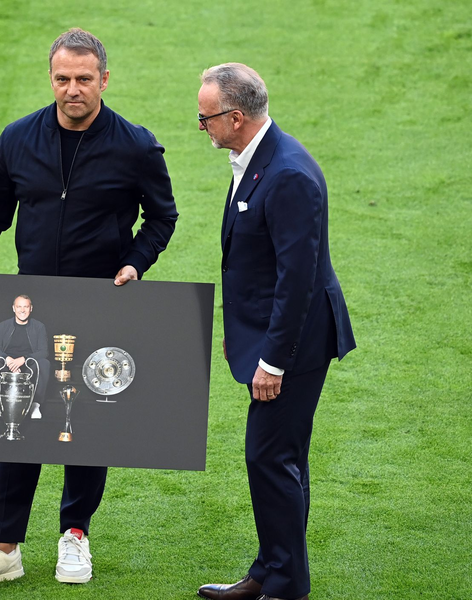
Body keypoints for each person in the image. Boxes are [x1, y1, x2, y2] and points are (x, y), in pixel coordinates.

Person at [0, 28, 177, 592]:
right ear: (52, 78)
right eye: (63, 78)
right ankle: (4, 546)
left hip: (100, 305)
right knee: (16, 421)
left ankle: (76, 534)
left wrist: (135, 263)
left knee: (85, 424)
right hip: (30, 308)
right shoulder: (18, 138)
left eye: (84, 79)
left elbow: (162, 218)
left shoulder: (137, 147)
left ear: (104, 80)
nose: (73, 89)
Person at [194, 63, 355, 600]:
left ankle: (284, 585)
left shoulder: (286, 174)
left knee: (270, 455)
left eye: (206, 118)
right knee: (281, 455)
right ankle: (270, 570)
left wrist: (273, 361)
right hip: (274, 332)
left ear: (235, 117)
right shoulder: (256, 158)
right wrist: (240, 332)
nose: (202, 126)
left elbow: (297, 281)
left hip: (298, 342)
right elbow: (256, 264)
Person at [0, 295, 50, 420]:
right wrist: (8, 360)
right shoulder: (3, 326)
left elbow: (43, 351)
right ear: (13, 308)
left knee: (44, 363)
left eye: (26, 306)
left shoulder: (39, 326)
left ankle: (35, 405)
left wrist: (23, 359)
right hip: (6, 363)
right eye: (19, 306)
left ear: (31, 309)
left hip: (28, 363)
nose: (22, 310)